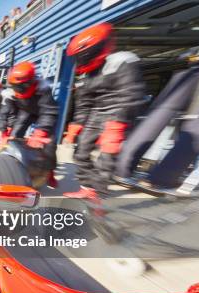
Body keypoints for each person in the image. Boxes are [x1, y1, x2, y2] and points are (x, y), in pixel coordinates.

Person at [62, 22, 146, 198]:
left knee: (107, 157)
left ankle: (98, 195)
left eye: (82, 56)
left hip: (118, 114)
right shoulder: (86, 75)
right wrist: (75, 126)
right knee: (80, 152)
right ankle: (86, 188)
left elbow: (131, 94)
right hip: (96, 114)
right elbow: (84, 104)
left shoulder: (122, 60)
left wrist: (118, 125)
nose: (80, 60)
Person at [0, 63, 59, 187]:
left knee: (49, 144)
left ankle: (50, 172)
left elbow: (49, 111)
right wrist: (3, 132)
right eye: (17, 87)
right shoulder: (11, 91)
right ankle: (18, 167)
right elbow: (4, 113)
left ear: (31, 82)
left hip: (43, 113)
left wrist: (40, 132)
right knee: (14, 137)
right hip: (26, 112)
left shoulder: (43, 88)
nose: (20, 90)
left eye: (23, 86)